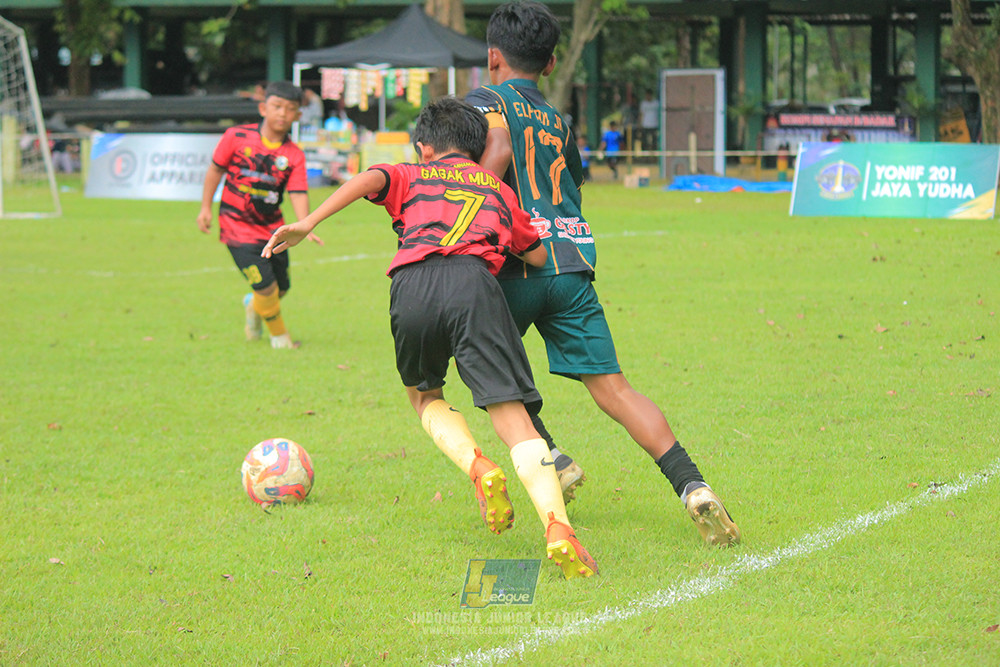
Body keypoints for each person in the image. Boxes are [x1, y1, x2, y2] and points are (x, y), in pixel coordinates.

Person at [262, 97, 598, 579]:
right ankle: (558, 527)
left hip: (411, 284)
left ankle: (477, 467)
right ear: (476, 148)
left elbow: (370, 178)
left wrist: (308, 221)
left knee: (424, 395)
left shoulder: (411, 174)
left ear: (424, 148)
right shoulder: (500, 192)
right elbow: (539, 257)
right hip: (473, 284)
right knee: (511, 413)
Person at [467, 1, 741, 548]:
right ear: (550, 64)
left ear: (492, 56)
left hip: (512, 264)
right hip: (570, 262)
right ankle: (693, 485)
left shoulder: (482, 103)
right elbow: (574, 184)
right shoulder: (559, 121)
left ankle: (552, 456)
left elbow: (474, 170)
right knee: (615, 389)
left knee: (482, 364)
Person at [197, 81, 323, 349]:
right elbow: (215, 170)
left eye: (290, 109)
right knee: (266, 288)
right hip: (236, 227)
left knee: (281, 288)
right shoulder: (235, 137)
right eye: (277, 106)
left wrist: (306, 224)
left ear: (298, 115)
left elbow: (298, 192)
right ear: (263, 108)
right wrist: (206, 207)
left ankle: (253, 306)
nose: (282, 113)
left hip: (272, 231)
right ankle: (281, 340)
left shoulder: (294, 155)